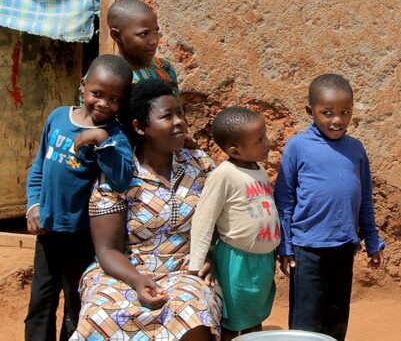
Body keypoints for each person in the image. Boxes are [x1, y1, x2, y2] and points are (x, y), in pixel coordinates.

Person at [71, 79, 221, 341]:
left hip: (186, 268)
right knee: (99, 313)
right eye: (167, 116)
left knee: (190, 312)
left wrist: (210, 255)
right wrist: (138, 281)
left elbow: (225, 217)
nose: (179, 122)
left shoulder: (199, 164)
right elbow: (107, 250)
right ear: (140, 127)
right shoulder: (120, 175)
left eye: (179, 114)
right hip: (126, 270)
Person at [25, 55, 134, 341]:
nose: (103, 104)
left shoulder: (114, 135)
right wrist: (34, 205)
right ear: (83, 85)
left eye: (114, 99)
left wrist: (101, 140)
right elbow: (38, 167)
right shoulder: (58, 117)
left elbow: (122, 178)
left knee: (76, 302)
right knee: (41, 302)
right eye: (97, 94)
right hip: (48, 231)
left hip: (82, 236)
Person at [275, 73, 385, 341]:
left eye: (344, 112)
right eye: (327, 112)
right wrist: (286, 246)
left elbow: (365, 197)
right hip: (307, 249)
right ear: (310, 111)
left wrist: (372, 239)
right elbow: (285, 199)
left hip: (344, 245)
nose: (337, 120)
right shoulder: (297, 147)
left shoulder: (356, 149)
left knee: (337, 317)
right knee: (306, 321)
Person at [189, 106, 281, 341]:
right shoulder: (223, 175)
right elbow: (204, 218)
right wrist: (197, 264)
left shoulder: (258, 169)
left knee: (255, 314)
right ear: (235, 151)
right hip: (236, 262)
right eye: (259, 140)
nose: (267, 143)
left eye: (265, 135)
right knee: (232, 318)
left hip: (262, 261)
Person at [79, 0, 180, 104]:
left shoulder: (164, 67)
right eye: (144, 34)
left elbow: (177, 111)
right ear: (117, 36)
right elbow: (89, 117)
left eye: (156, 31)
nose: (154, 41)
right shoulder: (103, 76)